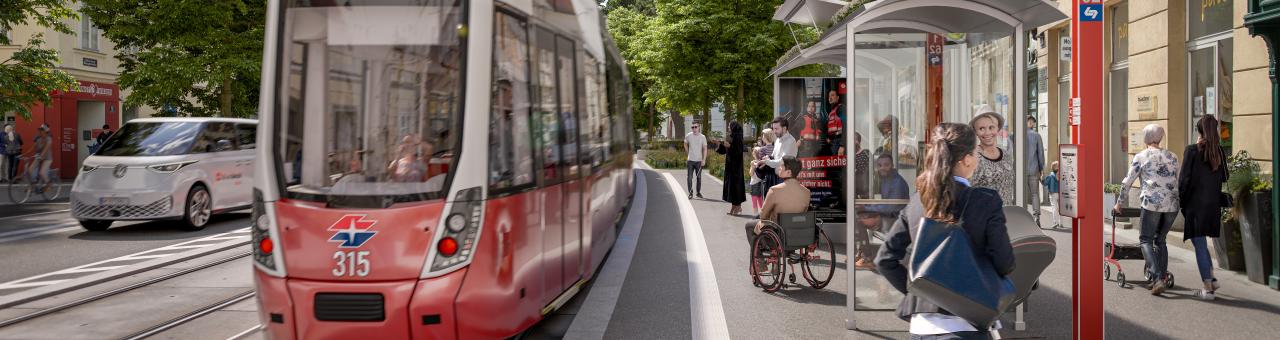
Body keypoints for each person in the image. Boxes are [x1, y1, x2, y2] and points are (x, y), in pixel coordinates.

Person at [876, 123, 1014, 340]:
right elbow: (1004, 262)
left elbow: (884, 259)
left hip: (922, 329)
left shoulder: (917, 202)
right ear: (967, 159)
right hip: (968, 326)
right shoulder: (986, 201)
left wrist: (924, 289)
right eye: (975, 152)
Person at [1112, 124, 1180, 295]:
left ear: (1146, 138)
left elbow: (1128, 181)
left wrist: (1119, 203)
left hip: (1152, 203)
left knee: (1146, 240)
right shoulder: (1173, 156)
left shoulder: (1141, 156)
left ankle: (1157, 278)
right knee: (1161, 240)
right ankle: (1162, 277)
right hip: (1172, 205)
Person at [1178, 116, 1228, 300]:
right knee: (1201, 243)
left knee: (1199, 244)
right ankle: (1212, 279)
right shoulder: (1219, 152)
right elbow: (1225, 177)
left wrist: (1181, 202)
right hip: (1212, 205)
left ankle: (1208, 287)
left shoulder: (1192, 150)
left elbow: (1183, 181)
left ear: (1199, 131)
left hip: (1195, 205)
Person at [745, 156, 809, 266]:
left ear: (788, 172)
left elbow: (763, 215)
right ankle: (787, 251)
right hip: (797, 236)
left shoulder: (775, 190)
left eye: (782, 165)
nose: (779, 167)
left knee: (749, 225)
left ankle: (760, 260)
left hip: (777, 235)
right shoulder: (806, 192)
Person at [853, 153, 910, 270]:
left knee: (859, 221)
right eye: (879, 165)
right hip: (888, 215)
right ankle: (861, 252)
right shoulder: (886, 180)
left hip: (895, 219)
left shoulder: (898, 182)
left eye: (886, 165)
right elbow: (885, 204)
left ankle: (867, 257)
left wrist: (867, 208)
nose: (882, 168)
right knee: (857, 216)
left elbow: (890, 207)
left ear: (892, 165)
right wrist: (867, 207)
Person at [969, 105, 1015, 205]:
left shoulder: (1006, 155)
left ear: (997, 128)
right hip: (984, 218)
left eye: (991, 127)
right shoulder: (973, 157)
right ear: (976, 131)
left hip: (1008, 216)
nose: (987, 132)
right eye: (981, 128)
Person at [713, 121, 746, 215]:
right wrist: (719, 144)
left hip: (736, 167)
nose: (728, 128)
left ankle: (738, 206)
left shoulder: (738, 137)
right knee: (731, 187)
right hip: (730, 165)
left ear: (734, 127)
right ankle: (733, 207)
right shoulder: (731, 136)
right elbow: (725, 151)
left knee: (736, 186)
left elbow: (738, 151)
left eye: (729, 126)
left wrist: (730, 146)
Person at [1025, 116, 1045, 212]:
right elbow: (1040, 154)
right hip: (1033, 170)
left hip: (1020, 170)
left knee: (1020, 194)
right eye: (1031, 122)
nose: (1033, 124)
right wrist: (1042, 169)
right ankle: (1036, 216)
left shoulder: (1014, 135)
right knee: (1035, 194)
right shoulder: (1036, 136)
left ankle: (1020, 217)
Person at [685, 122, 708, 199]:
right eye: (692, 127)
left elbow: (705, 148)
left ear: (699, 127)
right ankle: (690, 193)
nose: (694, 129)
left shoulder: (703, 137)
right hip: (690, 160)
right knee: (689, 177)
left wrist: (704, 160)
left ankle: (698, 192)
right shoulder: (688, 136)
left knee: (698, 178)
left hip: (699, 161)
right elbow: (685, 143)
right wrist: (688, 153)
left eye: (695, 127)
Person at [30, 124, 53, 190]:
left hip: (47, 158)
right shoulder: (38, 138)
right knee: (30, 169)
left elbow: (46, 148)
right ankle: (33, 185)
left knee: (42, 173)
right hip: (39, 157)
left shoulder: (49, 139)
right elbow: (33, 147)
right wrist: (24, 154)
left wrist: (41, 156)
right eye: (40, 130)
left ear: (46, 131)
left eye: (42, 130)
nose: (40, 131)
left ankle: (48, 185)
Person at [1042, 161, 1061, 229]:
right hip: (1060, 193)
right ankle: (1060, 222)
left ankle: (1055, 222)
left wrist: (1041, 178)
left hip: (1053, 194)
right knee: (1060, 208)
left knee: (1054, 208)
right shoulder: (1060, 175)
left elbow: (1045, 183)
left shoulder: (1050, 176)